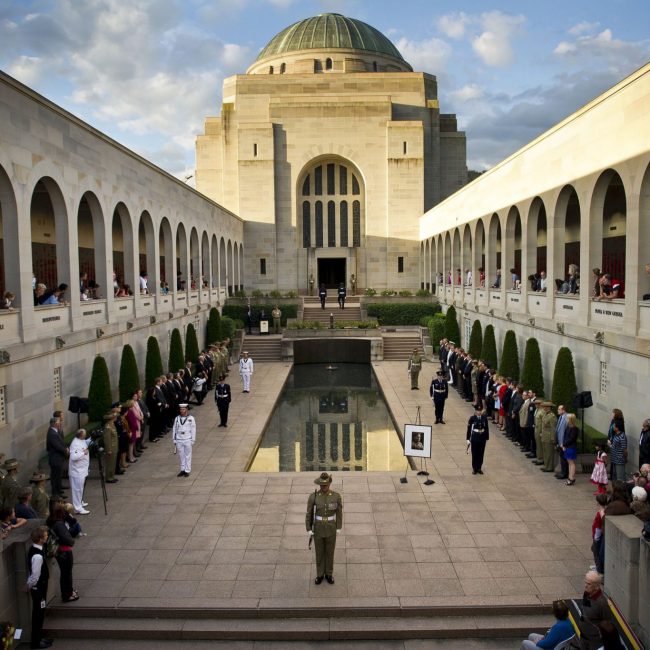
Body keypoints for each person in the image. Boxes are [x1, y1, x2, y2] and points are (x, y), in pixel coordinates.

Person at [306, 472, 343, 585]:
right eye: (322, 485)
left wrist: (338, 527)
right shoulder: (314, 497)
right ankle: (320, 574)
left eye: (326, 485)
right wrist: (308, 528)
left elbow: (339, 512)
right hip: (318, 528)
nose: (324, 487)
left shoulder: (336, 496)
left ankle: (329, 574)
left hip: (331, 527)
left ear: (329, 484)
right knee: (320, 552)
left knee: (330, 552)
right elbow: (309, 513)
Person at [26, 526, 53, 649]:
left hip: (39, 586)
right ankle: (36, 642)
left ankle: (39, 638)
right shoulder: (37, 556)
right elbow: (35, 575)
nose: (47, 536)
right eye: (45, 535)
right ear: (40, 539)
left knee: (40, 612)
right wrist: (29, 586)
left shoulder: (36, 550)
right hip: (39, 588)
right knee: (38, 614)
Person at [47, 502, 78, 602]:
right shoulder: (59, 524)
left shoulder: (51, 520)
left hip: (58, 551)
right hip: (64, 551)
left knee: (65, 573)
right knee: (66, 573)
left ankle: (69, 591)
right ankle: (67, 594)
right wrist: (71, 541)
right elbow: (67, 539)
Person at [68, 429, 91, 515]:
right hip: (77, 472)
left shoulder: (81, 441)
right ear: (81, 435)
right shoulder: (75, 444)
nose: (86, 435)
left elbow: (86, 442)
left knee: (80, 489)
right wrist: (83, 453)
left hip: (82, 470)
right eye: (85, 434)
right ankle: (78, 508)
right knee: (77, 490)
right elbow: (73, 457)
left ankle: (79, 502)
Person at [46, 416, 68, 498]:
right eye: (58, 422)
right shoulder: (52, 433)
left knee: (58, 476)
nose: (60, 424)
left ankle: (59, 492)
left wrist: (65, 448)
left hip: (58, 458)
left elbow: (61, 442)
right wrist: (65, 450)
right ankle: (56, 495)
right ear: (54, 423)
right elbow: (57, 446)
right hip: (55, 458)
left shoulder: (55, 431)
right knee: (55, 477)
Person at [172, 404, 196, 477]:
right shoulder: (177, 418)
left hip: (187, 438)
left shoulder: (191, 418)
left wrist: (193, 439)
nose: (182, 411)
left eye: (183, 409)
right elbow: (174, 429)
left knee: (188, 455)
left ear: (186, 410)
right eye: (181, 409)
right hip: (179, 439)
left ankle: (187, 470)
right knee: (181, 455)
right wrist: (174, 439)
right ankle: (182, 469)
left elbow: (193, 429)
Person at [466, 404, 489, 475]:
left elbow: (486, 428)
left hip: (482, 437)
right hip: (475, 437)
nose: (479, 412)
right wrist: (468, 438)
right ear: (475, 411)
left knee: (481, 453)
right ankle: (474, 468)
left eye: (480, 410)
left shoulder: (484, 418)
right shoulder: (472, 418)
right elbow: (469, 429)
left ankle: (479, 467)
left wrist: (487, 437)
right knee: (475, 453)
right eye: (477, 411)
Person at [540, 402, 557, 473]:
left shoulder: (552, 416)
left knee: (549, 452)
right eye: (544, 407)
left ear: (549, 408)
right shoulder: (545, 414)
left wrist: (553, 438)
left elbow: (553, 428)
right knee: (545, 451)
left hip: (549, 436)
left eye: (545, 407)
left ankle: (549, 467)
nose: (544, 408)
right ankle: (546, 465)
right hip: (544, 436)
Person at [101, 412, 118, 483]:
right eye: (115, 417)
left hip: (114, 447)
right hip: (111, 448)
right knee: (110, 463)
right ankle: (109, 478)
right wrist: (109, 449)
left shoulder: (112, 425)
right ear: (112, 418)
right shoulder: (108, 427)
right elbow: (107, 440)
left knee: (113, 463)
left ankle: (112, 476)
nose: (116, 418)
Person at [562, 413, 579, 486]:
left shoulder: (574, 428)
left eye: (567, 418)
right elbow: (565, 437)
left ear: (570, 419)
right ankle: (570, 477)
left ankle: (571, 478)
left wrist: (564, 445)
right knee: (570, 463)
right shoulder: (568, 427)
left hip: (571, 447)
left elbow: (571, 439)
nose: (566, 419)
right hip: (567, 447)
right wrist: (563, 445)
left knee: (571, 463)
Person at [555, 405, 568, 480]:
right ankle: (563, 472)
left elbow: (565, 432)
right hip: (560, 442)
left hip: (563, 443)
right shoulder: (561, 417)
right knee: (562, 458)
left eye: (559, 409)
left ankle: (565, 473)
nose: (558, 410)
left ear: (563, 410)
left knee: (564, 459)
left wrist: (563, 443)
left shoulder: (566, 418)